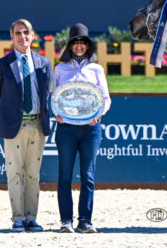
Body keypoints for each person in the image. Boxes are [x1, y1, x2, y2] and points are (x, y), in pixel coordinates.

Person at [0, 18, 52, 232]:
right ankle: (17, 218)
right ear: (12, 37)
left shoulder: (44, 64)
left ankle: (31, 218)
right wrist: (9, 116)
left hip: (37, 126)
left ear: (33, 36)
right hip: (14, 127)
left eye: (26, 32)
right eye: (18, 33)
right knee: (14, 173)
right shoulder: (1, 65)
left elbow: (46, 96)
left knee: (34, 174)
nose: (22, 36)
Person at [52, 23, 111, 234]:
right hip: (66, 128)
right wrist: (55, 112)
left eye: (82, 42)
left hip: (91, 129)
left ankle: (85, 220)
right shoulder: (59, 69)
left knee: (88, 175)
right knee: (65, 175)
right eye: (75, 42)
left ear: (88, 46)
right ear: (69, 45)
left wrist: (98, 115)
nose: (79, 46)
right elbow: (54, 96)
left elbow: (105, 98)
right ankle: (66, 220)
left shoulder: (97, 69)